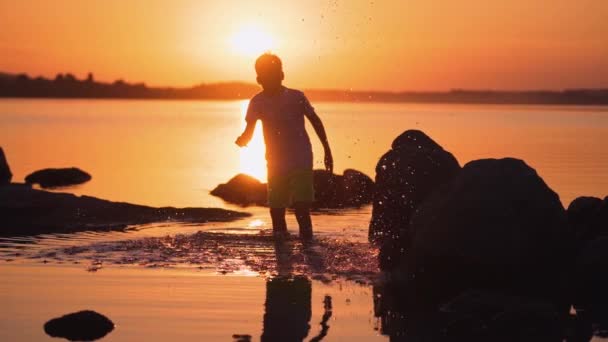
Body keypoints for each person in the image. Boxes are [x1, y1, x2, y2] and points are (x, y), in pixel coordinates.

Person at [235, 53, 333, 241]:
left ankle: (308, 246)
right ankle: (282, 254)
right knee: (276, 210)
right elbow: (249, 130)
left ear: (282, 75)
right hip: (275, 162)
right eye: (266, 75)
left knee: (301, 209)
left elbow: (315, 121)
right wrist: (243, 139)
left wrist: (327, 149)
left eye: (274, 73)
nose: (271, 78)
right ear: (258, 79)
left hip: (301, 159)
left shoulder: (296, 97)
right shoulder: (257, 102)